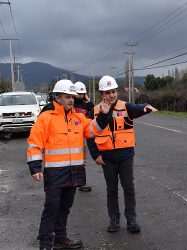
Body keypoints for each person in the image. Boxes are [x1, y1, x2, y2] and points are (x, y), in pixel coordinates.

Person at [27, 79, 111, 250]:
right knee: (51, 208)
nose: (71, 100)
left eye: (72, 97)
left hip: (73, 171)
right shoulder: (45, 118)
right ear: (57, 97)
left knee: (65, 207)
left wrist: (103, 115)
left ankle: (60, 238)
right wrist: (35, 166)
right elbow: (35, 143)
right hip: (55, 172)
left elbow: (93, 130)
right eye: (67, 97)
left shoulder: (79, 118)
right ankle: (45, 244)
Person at [87, 75, 157, 233]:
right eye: (107, 92)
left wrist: (145, 107)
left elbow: (138, 108)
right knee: (111, 189)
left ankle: (131, 219)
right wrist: (95, 155)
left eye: (113, 91)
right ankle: (114, 220)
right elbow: (89, 135)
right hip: (106, 158)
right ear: (101, 94)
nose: (111, 95)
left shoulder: (126, 107)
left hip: (125, 156)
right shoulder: (94, 111)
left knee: (128, 188)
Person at [74, 81, 94, 192]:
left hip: (82, 137)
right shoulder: (70, 104)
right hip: (71, 136)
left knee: (82, 161)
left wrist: (89, 102)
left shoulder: (86, 105)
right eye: (78, 93)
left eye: (82, 93)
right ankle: (70, 181)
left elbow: (95, 113)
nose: (80, 96)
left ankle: (82, 182)